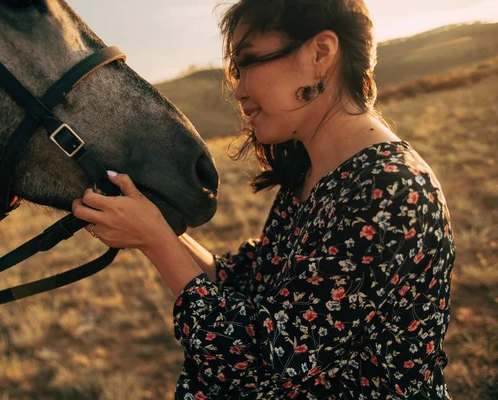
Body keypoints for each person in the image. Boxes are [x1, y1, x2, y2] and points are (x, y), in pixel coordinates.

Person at [72, 0, 456, 398]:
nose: (238, 91)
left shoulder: (391, 190)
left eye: (249, 61)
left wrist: (156, 240)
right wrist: (154, 224)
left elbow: (273, 361)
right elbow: (249, 286)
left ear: (320, 54)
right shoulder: (315, 173)